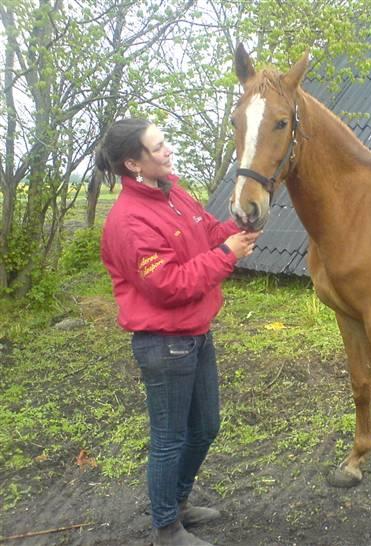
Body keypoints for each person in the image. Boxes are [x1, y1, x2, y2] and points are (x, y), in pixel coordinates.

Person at [96, 118, 259, 546]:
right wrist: (227, 255)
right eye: (158, 146)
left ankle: (179, 503)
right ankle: (166, 528)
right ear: (134, 162)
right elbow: (169, 286)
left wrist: (236, 230)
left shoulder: (174, 194)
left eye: (165, 141)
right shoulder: (129, 221)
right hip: (164, 342)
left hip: (196, 333)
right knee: (169, 438)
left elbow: (206, 233)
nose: (168, 150)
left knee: (205, 427)